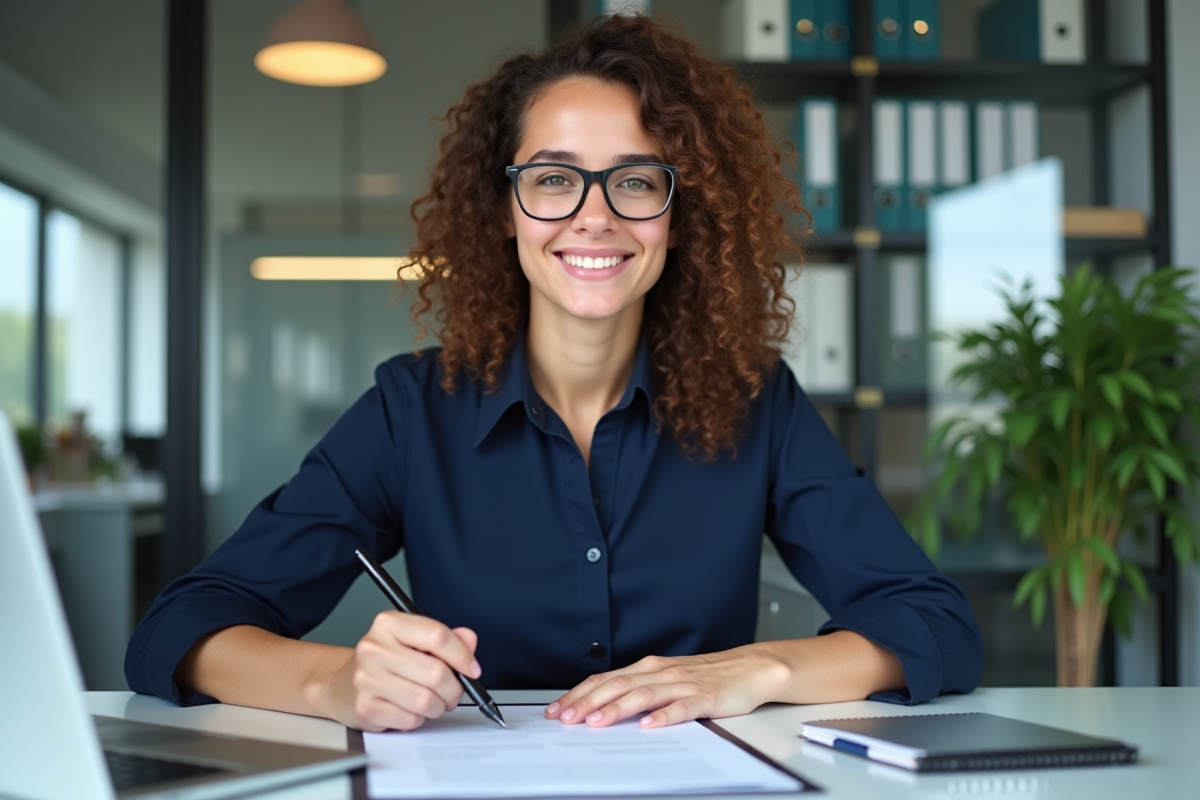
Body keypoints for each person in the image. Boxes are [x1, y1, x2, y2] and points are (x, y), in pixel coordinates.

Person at [126, 14, 982, 733]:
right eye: (553, 179)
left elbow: (934, 624)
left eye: (635, 181)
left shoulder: (758, 404)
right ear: (505, 208)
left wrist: (759, 670)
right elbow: (180, 629)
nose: (594, 217)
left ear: (679, 214)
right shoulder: (410, 410)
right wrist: (334, 682)